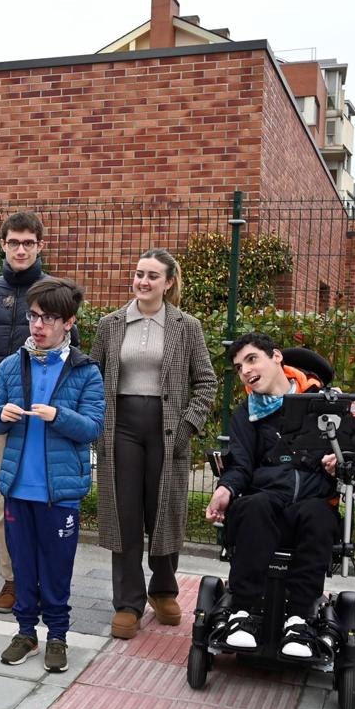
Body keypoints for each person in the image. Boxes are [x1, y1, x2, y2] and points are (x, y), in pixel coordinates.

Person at [205, 333, 355, 657]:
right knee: (252, 507)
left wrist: (343, 462)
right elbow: (241, 465)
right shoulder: (247, 415)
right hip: (267, 501)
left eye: (251, 359)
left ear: (276, 357)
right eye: (239, 366)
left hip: (313, 504)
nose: (244, 370)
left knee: (317, 516)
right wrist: (226, 488)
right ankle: (242, 614)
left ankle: (299, 620)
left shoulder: (328, 404)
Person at [91, 248, 217, 640]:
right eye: (139, 273)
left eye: (152, 276)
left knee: (165, 510)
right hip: (121, 430)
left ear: (169, 282)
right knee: (125, 513)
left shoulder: (187, 326)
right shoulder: (110, 325)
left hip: (167, 432)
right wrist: (98, 428)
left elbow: (207, 383)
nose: (143, 282)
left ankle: (163, 589)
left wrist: (186, 427)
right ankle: (128, 602)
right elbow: (92, 379)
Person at [0, 278, 105, 675]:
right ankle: (24, 633)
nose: (38, 325)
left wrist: (60, 416)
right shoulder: (10, 365)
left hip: (59, 494)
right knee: (23, 566)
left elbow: (92, 427)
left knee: (56, 569)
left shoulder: (85, 370)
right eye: (33, 316)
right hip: (18, 487)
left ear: (68, 322)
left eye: (49, 318)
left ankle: (57, 636)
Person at [0, 211, 79, 614]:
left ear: (40, 245)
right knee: (4, 503)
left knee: (43, 503)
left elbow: (74, 357)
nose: (21, 249)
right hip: (3, 416)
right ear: (2, 244)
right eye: (14, 242)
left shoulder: (55, 293)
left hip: (46, 419)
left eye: (29, 243)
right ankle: (12, 579)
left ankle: (44, 584)